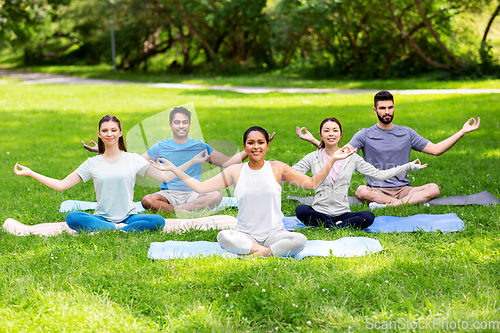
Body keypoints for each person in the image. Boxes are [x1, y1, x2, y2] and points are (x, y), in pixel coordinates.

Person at [149, 126, 355, 258]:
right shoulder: (235, 171)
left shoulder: (277, 168)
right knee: (223, 236)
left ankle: (257, 254)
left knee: (300, 240)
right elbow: (200, 187)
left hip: (275, 233)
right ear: (245, 147)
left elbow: (311, 183)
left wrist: (333, 159)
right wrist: (175, 169)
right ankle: (264, 253)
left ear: (267, 146)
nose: (256, 147)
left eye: (260, 142)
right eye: (251, 143)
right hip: (245, 235)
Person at [6, 115, 203, 234]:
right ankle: (117, 231)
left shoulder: (133, 159)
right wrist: (31, 172)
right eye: (105, 130)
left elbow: (165, 177)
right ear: (99, 134)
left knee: (158, 221)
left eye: (113, 130)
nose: (109, 133)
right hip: (101, 218)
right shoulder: (92, 163)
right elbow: (61, 185)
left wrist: (191, 162)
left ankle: (119, 230)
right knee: (72, 217)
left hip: (129, 217)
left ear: (120, 133)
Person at [296, 90, 480, 208]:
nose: (387, 112)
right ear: (375, 110)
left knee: (434, 189)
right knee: (361, 191)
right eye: (382, 108)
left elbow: (436, 150)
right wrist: (313, 139)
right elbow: (339, 154)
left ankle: (392, 205)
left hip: (403, 189)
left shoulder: (407, 133)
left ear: (394, 108)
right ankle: (408, 204)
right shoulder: (365, 134)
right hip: (376, 190)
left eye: (390, 107)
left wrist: (462, 131)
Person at [82, 107, 269, 213]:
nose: (181, 125)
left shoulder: (199, 146)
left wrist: (252, 148)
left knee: (216, 196)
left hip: (193, 193)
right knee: (148, 200)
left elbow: (228, 163)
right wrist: (103, 148)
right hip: (169, 194)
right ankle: (184, 212)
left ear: (189, 124)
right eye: (177, 122)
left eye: (185, 122)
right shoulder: (160, 146)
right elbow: (132, 161)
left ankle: (178, 212)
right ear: (171, 125)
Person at [293, 117, 426, 229]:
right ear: (321, 135)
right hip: (319, 211)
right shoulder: (312, 157)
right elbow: (291, 173)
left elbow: (380, 175)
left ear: (341, 134)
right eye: (326, 131)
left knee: (368, 216)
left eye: (335, 130)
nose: (331, 134)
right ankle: (335, 226)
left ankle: (329, 226)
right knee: (301, 210)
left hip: (343, 213)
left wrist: (408, 166)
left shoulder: (352, 158)